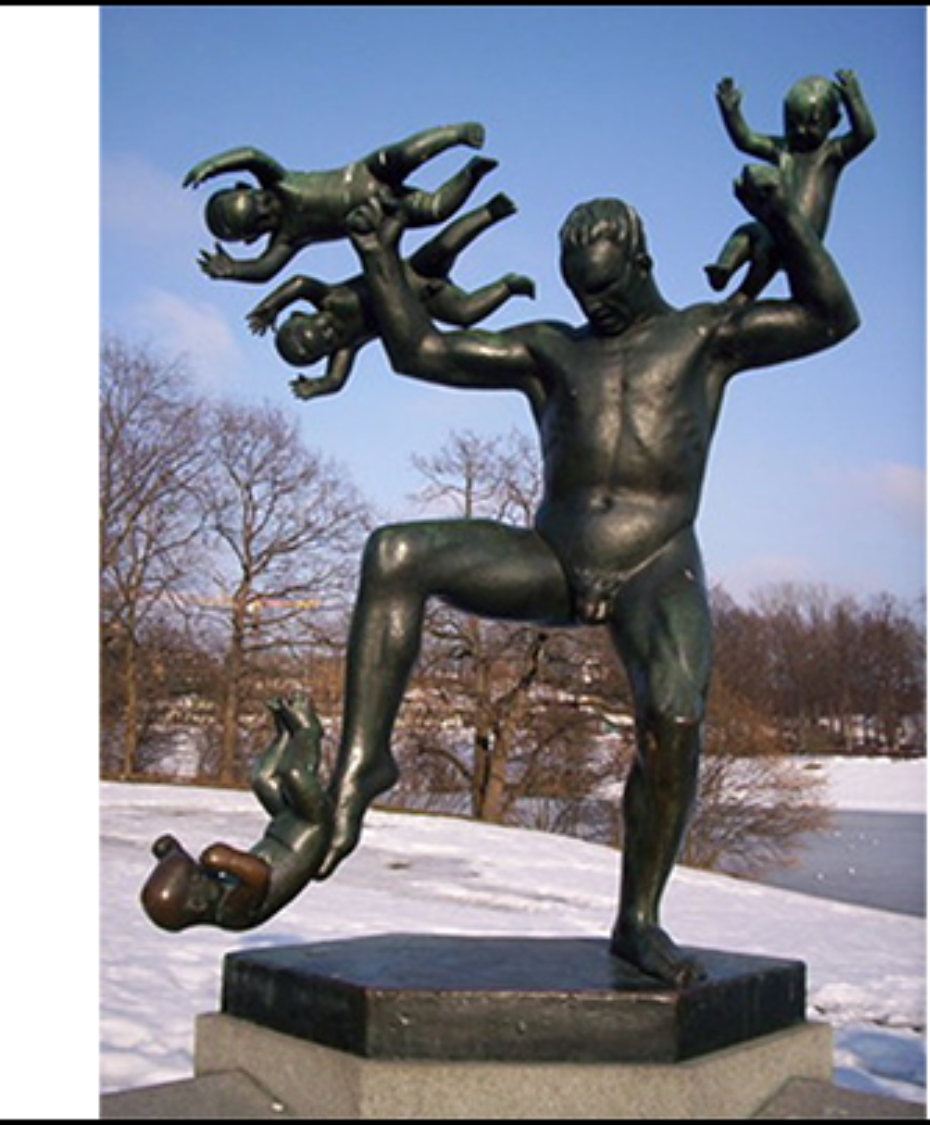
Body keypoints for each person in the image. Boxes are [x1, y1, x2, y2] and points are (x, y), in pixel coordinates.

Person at [315, 157, 860, 984]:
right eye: (580, 292)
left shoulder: (705, 337)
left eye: (605, 289)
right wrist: (379, 255)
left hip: (655, 561)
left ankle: (638, 919)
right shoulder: (550, 348)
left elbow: (830, 317)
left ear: (640, 262)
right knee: (394, 551)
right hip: (555, 555)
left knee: (675, 715)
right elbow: (420, 350)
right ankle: (362, 766)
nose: (593, 306)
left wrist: (785, 216)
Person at [243, 193, 535, 401]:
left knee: (444, 247)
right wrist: (317, 387)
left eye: (322, 327)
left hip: (408, 274)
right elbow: (336, 380)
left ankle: (490, 211)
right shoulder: (346, 347)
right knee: (464, 313)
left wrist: (271, 306)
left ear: (302, 313)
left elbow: (299, 283)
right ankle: (508, 286)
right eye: (328, 341)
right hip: (423, 304)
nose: (331, 331)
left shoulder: (329, 298)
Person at [184, 123, 497, 284]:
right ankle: (473, 173)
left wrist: (213, 165)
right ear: (253, 237)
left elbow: (252, 156)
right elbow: (265, 269)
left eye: (260, 200)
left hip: (367, 174)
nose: (268, 208)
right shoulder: (289, 237)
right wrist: (234, 270)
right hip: (382, 211)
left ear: (250, 187)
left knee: (406, 154)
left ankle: (456, 134)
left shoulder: (280, 182)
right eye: (261, 218)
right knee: (434, 210)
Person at [140, 697, 330, 933]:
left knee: (261, 779)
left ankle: (285, 735)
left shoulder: (214, 892)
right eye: (197, 877)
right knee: (293, 775)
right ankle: (308, 731)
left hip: (283, 826)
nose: (202, 869)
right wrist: (226, 858)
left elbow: (179, 862)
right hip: (309, 828)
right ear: (197, 904)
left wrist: (169, 851)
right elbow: (259, 875)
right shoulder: (232, 913)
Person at [704, 70, 874, 300]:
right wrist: (731, 113)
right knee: (748, 231)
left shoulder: (831, 154)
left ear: (833, 121)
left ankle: (744, 295)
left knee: (768, 247)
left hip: (803, 235)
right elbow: (746, 140)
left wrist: (853, 98)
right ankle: (724, 268)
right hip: (775, 226)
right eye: (792, 124)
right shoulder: (784, 150)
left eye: (811, 123)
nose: (800, 131)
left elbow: (865, 134)